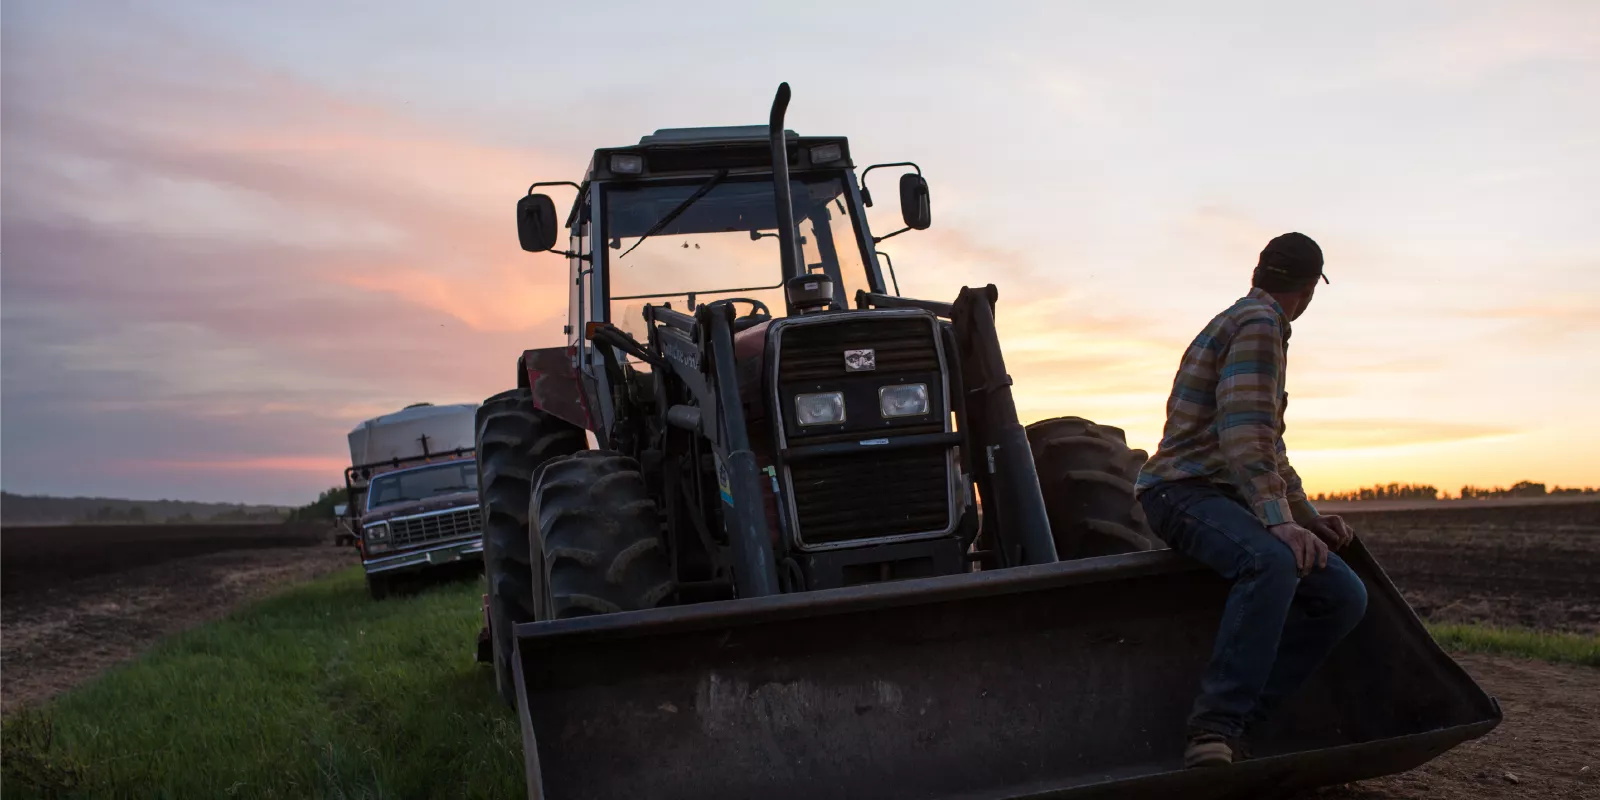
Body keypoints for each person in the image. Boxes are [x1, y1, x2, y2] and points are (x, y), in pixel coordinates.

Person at [1135, 232, 1368, 768]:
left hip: (1223, 496)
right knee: (1270, 560)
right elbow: (1244, 433)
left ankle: (1245, 725)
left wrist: (1309, 519)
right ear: (1309, 290)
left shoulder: (1246, 322)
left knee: (1344, 596)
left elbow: (1267, 446)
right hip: (1180, 492)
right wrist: (1280, 524)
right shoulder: (1259, 326)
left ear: (1260, 274)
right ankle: (1212, 728)